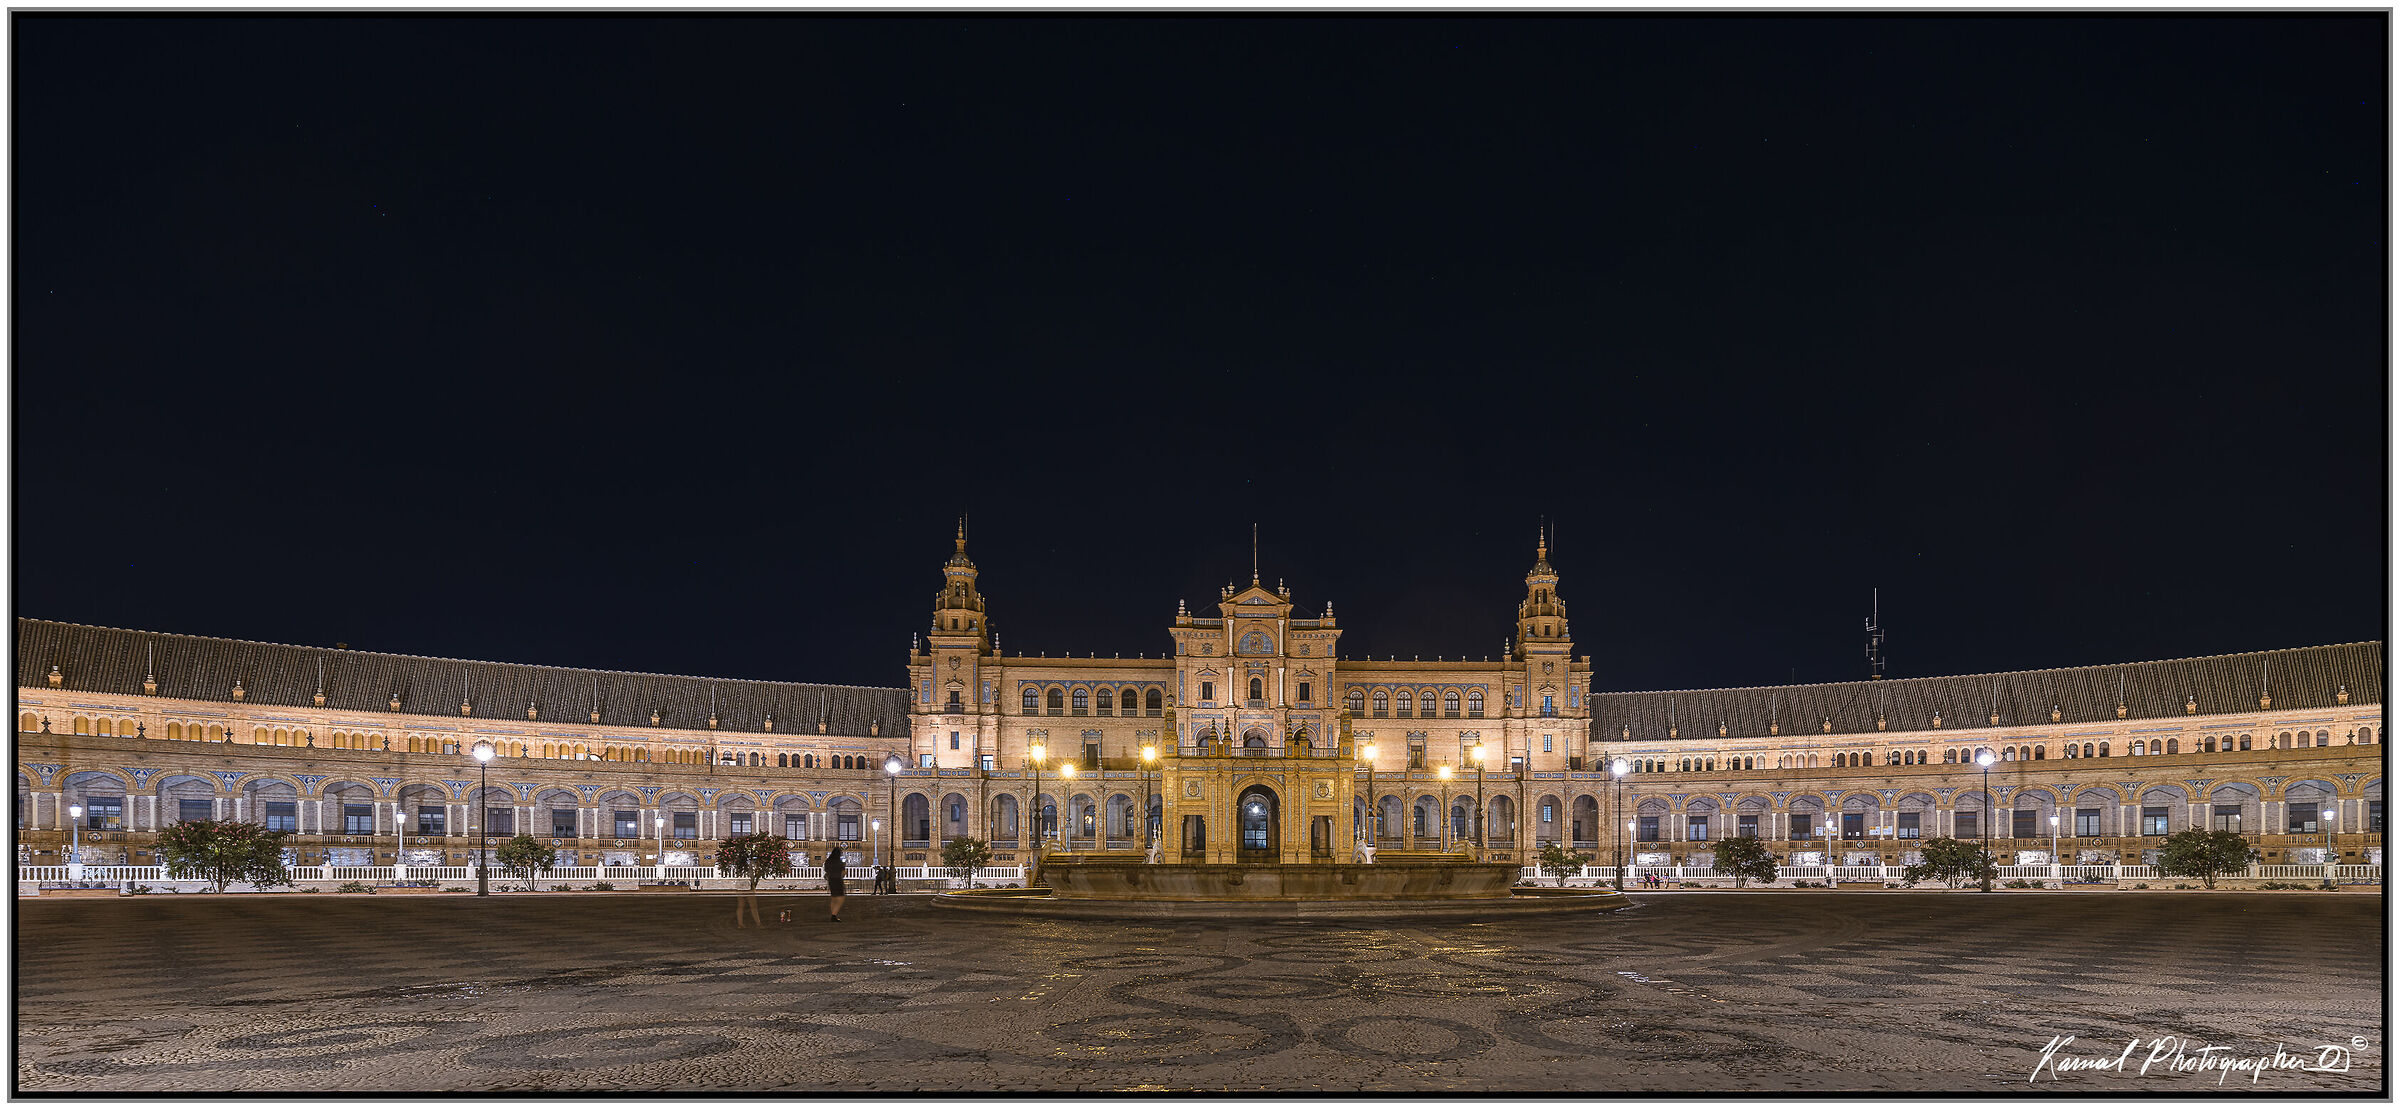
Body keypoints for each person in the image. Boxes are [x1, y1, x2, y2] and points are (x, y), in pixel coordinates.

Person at [823, 846, 847, 922]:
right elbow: (843, 873)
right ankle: (834, 915)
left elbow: (826, 870)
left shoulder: (828, 861)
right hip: (838, 880)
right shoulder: (839, 862)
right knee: (841, 898)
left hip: (831, 880)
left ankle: (833, 914)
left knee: (833, 898)